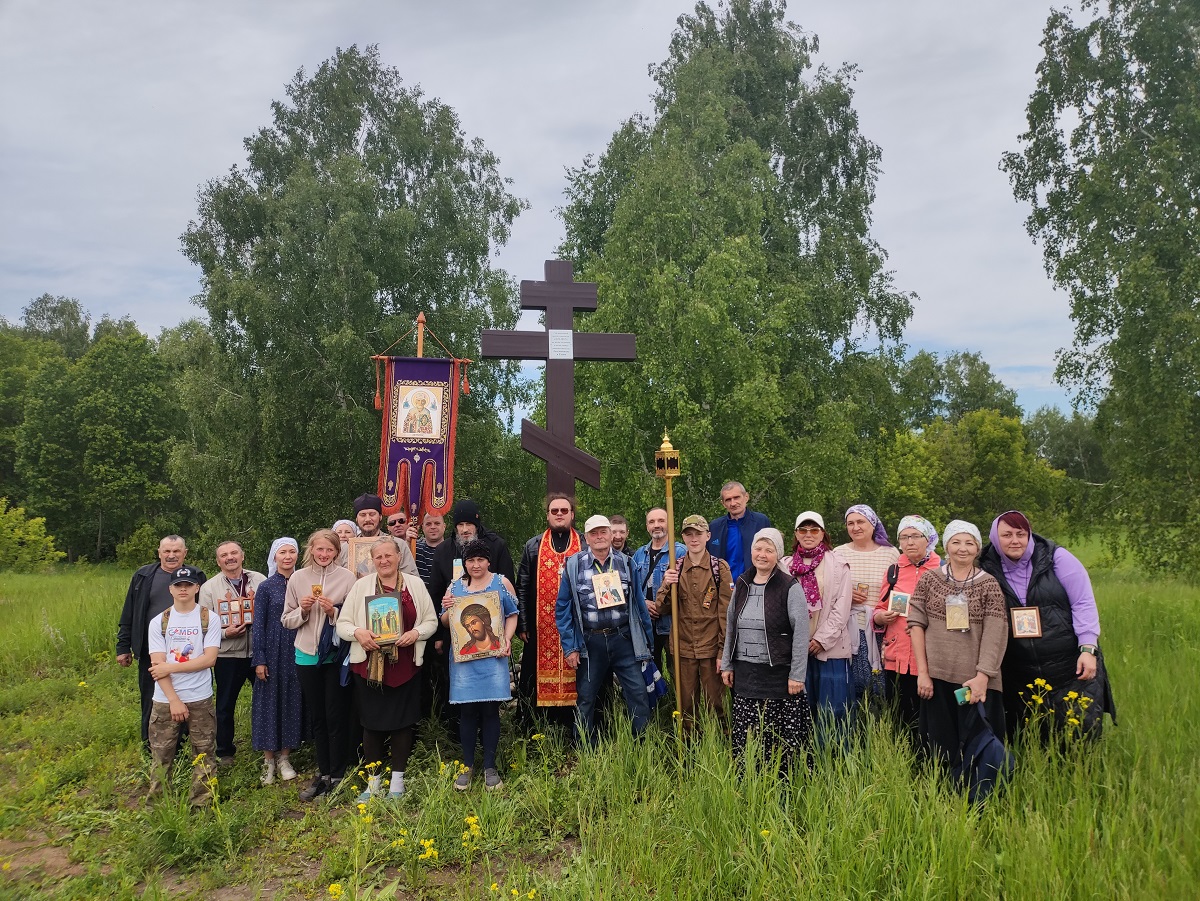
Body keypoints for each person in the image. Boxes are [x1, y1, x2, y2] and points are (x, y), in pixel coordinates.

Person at [980, 510, 1117, 741]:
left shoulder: (1057, 558)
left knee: (1078, 733)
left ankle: (1082, 775)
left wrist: (1088, 648)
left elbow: (1083, 602)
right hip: (1019, 670)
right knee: (1032, 735)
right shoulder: (986, 566)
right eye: (1007, 535)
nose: (1015, 540)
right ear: (995, 537)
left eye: (1021, 534)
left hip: (1070, 666)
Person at [338, 536, 438, 801]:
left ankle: (397, 782)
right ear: (372, 560)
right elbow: (342, 624)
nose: (383, 561)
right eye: (378, 557)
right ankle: (373, 783)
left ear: (399, 557)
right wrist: (359, 632)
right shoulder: (361, 587)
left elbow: (431, 621)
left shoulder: (415, 585)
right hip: (369, 667)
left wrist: (416, 633)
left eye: (388, 555)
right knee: (371, 725)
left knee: (402, 725)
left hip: (405, 665)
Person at [908, 520, 1009, 771]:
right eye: (956, 542)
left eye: (969, 543)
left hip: (974, 682)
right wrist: (923, 673)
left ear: (977, 548)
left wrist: (983, 676)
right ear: (945, 546)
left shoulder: (990, 585)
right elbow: (916, 624)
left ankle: (980, 797)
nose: (962, 548)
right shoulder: (930, 580)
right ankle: (943, 797)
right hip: (937, 679)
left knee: (978, 748)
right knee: (940, 749)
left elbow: (996, 635)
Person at [720, 529, 813, 773]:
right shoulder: (741, 583)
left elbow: (802, 633)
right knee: (748, 739)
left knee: (780, 741)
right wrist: (727, 664)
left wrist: (797, 675)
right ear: (751, 551)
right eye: (758, 549)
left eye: (769, 550)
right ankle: (750, 782)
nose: (762, 555)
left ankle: (783, 785)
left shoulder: (789, 587)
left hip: (779, 677)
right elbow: (731, 625)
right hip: (747, 676)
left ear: (778, 555)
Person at [556, 515, 654, 746]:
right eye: (594, 533)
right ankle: (584, 749)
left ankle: (641, 745)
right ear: (586, 538)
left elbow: (639, 604)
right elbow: (562, 609)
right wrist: (570, 647)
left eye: (603, 532)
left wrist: (646, 641)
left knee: (638, 693)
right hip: (590, 642)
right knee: (587, 697)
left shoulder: (627, 563)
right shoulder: (574, 565)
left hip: (623, 639)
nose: (599, 537)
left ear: (612, 534)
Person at [282, 529, 356, 801]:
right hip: (305, 655)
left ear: (337, 552)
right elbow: (286, 620)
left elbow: (353, 619)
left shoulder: (348, 578)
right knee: (318, 718)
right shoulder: (298, 579)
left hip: (334, 657)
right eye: (319, 549)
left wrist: (332, 613)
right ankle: (322, 773)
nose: (324, 554)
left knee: (337, 715)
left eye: (330, 550)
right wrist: (302, 611)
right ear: (310, 549)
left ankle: (338, 773)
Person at [442, 539, 519, 791]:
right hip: (464, 661)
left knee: (489, 711)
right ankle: (467, 766)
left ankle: (489, 766)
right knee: (467, 713)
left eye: (480, 560)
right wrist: (446, 610)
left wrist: (506, 640)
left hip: (493, 658)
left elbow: (512, 614)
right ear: (465, 563)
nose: (476, 565)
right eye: (471, 560)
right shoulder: (455, 587)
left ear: (488, 561)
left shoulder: (500, 582)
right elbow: (445, 623)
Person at [145, 565, 222, 805]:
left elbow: (209, 659)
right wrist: (174, 700)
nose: (183, 589)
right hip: (165, 700)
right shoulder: (159, 622)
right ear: (171, 589)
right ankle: (158, 806)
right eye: (178, 585)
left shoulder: (210, 618)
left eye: (188, 585)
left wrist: (171, 667)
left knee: (204, 754)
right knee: (161, 756)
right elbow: (158, 667)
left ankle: (202, 805)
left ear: (197, 587)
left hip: (200, 697)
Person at [116, 535, 201, 749]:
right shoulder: (143, 576)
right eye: (167, 551)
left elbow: (205, 612)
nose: (171, 555)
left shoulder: (196, 575)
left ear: (185, 553)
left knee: (185, 697)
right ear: (159, 552)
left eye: (176, 551)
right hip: (150, 650)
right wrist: (123, 646)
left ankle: (181, 747)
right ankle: (150, 747)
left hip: (186, 652)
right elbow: (130, 612)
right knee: (152, 699)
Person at [658, 514, 733, 736]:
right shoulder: (676, 569)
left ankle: (720, 745)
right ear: (682, 537)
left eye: (698, 534)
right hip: (684, 649)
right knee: (686, 705)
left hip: (711, 648)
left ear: (707, 536)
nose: (694, 539)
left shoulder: (720, 568)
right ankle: (690, 750)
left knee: (715, 703)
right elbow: (662, 609)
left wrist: (723, 652)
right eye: (689, 534)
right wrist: (665, 583)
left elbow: (726, 614)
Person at [782, 512, 853, 745]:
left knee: (831, 710)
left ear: (823, 533)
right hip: (795, 650)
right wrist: (797, 642)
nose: (808, 535)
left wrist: (821, 640)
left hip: (829, 649)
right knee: (800, 707)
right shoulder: (785, 565)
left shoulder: (838, 564)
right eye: (803, 530)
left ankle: (832, 759)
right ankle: (803, 758)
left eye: (814, 530)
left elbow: (841, 608)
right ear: (796, 534)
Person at [515, 494, 583, 731]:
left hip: (576, 627)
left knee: (579, 672)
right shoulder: (533, 545)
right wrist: (523, 622)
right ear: (547, 515)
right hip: (539, 627)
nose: (559, 514)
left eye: (564, 510)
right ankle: (538, 726)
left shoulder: (583, 543)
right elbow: (522, 585)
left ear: (572, 514)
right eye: (554, 511)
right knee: (534, 678)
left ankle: (574, 726)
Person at [198, 540, 266, 766]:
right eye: (224, 555)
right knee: (226, 704)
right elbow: (204, 627)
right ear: (218, 561)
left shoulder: (259, 580)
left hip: (258, 653)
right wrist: (226, 633)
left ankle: (266, 743)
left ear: (242, 556)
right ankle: (225, 751)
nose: (230, 557)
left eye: (234, 553)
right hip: (228, 654)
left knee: (265, 700)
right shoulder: (209, 588)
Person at [872, 516, 941, 737]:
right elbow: (878, 608)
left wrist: (927, 624)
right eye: (904, 537)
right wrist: (881, 617)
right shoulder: (894, 571)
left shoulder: (943, 569)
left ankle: (933, 762)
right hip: (897, 658)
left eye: (915, 536)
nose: (909, 542)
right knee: (901, 718)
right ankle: (903, 763)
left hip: (932, 657)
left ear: (928, 539)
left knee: (932, 718)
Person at [251, 538, 304, 785]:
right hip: (272, 649)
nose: (288, 556)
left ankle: (285, 757)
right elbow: (258, 625)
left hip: (296, 647)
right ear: (274, 557)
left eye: (292, 551)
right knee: (268, 702)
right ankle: (268, 761)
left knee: (292, 700)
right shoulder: (266, 587)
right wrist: (259, 659)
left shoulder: (303, 582)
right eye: (282, 552)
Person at [835, 505, 900, 701]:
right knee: (853, 685)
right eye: (850, 523)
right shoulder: (838, 553)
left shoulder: (891, 554)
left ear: (873, 524)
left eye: (860, 522)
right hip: (848, 628)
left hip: (882, 627)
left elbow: (899, 589)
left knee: (880, 687)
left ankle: (880, 725)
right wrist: (846, 593)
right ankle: (853, 727)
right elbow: (829, 590)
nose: (856, 527)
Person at [632, 508, 686, 681]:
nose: (657, 525)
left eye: (661, 521)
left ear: (669, 524)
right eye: (652, 522)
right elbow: (632, 587)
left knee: (676, 671)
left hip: (671, 624)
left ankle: (679, 706)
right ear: (647, 526)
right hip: (646, 624)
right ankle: (657, 707)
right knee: (649, 672)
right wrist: (645, 603)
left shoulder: (680, 553)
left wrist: (662, 605)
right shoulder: (640, 554)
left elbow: (688, 590)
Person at [707, 481, 771, 584]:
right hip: (724, 588)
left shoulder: (761, 522)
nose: (733, 503)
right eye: (728, 500)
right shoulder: (715, 527)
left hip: (754, 585)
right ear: (723, 503)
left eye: (736, 497)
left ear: (746, 497)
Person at [352, 493, 419, 578]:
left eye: (372, 514)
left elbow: (411, 578)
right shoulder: (347, 548)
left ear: (380, 517)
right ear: (357, 519)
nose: (368, 519)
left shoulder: (398, 544)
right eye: (363, 515)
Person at [414, 512, 446, 589]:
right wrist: (408, 542)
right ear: (423, 528)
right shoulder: (415, 549)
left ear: (444, 526)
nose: (433, 527)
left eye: (437, 523)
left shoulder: (453, 549)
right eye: (428, 524)